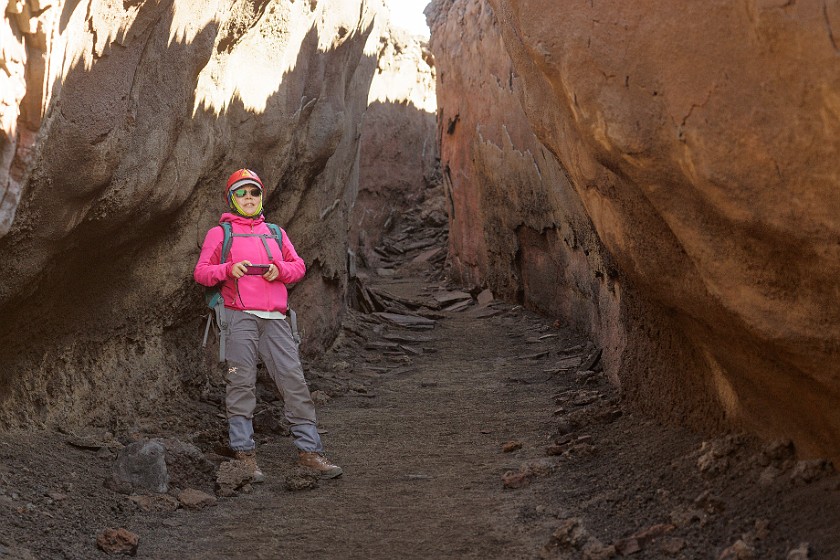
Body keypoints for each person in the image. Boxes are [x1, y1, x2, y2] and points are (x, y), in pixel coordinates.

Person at [193, 168, 342, 481]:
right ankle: (244, 456)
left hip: (275, 319)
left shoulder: (275, 232)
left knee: (294, 383)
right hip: (238, 319)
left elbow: (298, 265)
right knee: (240, 383)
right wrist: (229, 269)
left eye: (254, 192)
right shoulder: (219, 234)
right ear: (231, 198)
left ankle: (310, 452)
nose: (249, 198)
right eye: (242, 193)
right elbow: (202, 273)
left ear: (261, 197)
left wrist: (280, 270)